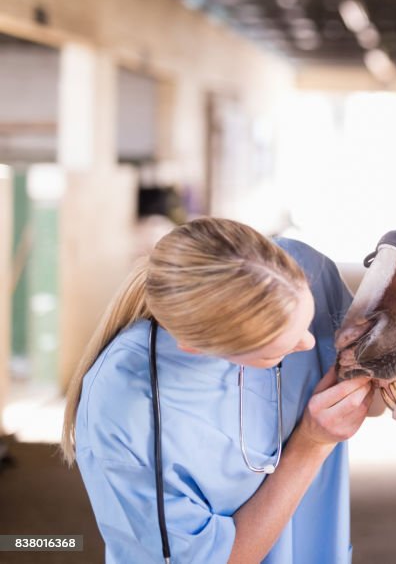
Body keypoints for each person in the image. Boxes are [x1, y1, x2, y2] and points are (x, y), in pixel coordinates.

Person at [60, 217, 373, 563]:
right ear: (197, 346)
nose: (310, 343)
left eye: (308, 320)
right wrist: (311, 445)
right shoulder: (127, 408)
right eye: (275, 351)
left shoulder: (304, 268)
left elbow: (375, 399)